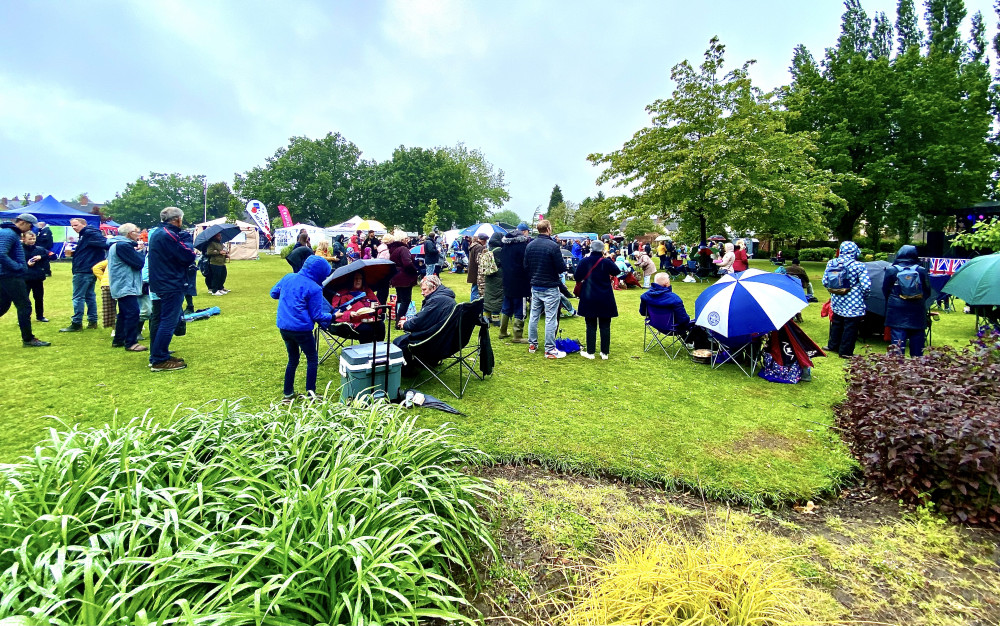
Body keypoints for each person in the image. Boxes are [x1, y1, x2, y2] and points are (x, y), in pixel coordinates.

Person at [271, 255, 333, 401]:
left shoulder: (288, 277)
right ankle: (311, 394)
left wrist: (289, 297)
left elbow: (273, 293)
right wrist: (334, 317)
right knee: (312, 358)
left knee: (293, 359)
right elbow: (317, 316)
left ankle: (288, 394)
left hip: (284, 327)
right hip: (302, 330)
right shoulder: (315, 288)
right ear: (320, 273)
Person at [147, 207, 197, 372]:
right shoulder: (168, 235)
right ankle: (159, 358)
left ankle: (158, 354)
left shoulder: (158, 233)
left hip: (162, 281)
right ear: (178, 219)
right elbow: (187, 255)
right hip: (170, 282)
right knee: (169, 320)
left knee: (161, 319)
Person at [1, 213, 50, 346]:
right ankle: (28, 339)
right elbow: (1, 253)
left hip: (6, 275)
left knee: (3, 305)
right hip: (10, 275)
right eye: (29, 225)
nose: (30, 229)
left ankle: (28, 339)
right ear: (22, 222)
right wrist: (17, 267)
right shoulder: (9, 234)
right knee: (24, 306)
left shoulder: (9, 232)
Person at [524, 219, 566, 359]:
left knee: (534, 316)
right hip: (549, 286)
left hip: (535, 285)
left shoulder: (530, 245)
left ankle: (532, 344)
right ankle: (549, 349)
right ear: (548, 228)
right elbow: (561, 268)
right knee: (550, 318)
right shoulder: (553, 246)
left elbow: (526, 266)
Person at [882, 245, 931, 357]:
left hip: (896, 309)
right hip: (917, 309)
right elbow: (927, 291)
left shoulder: (891, 270)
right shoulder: (921, 271)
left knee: (897, 339)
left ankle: (897, 366)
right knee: (918, 338)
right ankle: (917, 365)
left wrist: (894, 300)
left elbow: (885, 290)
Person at [393, 274, 456, 362]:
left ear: (433, 288)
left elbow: (420, 322)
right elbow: (426, 319)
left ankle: (408, 370)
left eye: (424, 289)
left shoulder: (436, 300)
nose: (422, 293)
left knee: (398, 342)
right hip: (445, 339)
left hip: (433, 341)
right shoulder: (446, 298)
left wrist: (405, 324)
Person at [824, 241, 871, 359]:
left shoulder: (832, 263)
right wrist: (864, 296)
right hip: (853, 300)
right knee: (850, 327)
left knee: (837, 323)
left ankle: (833, 345)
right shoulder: (859, 265)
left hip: (837, 299)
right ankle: (845, 352)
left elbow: (825, 282)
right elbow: (866, 286)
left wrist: (835, 291)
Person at [61, 217, 109, 332]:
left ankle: (77, 322)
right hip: (90, 268)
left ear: (84, 224)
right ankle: (92, 321)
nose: (73, 228)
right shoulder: (87, 234)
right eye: (72, 225)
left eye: (76, 225)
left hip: (83, 269)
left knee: (78, 296)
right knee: (89, 296)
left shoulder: (88, 233)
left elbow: (104, 244)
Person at [639, 272, 708, 350]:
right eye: (669, 279)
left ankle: (688, 341)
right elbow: (683, 320)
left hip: (656, 324)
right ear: (666, 283)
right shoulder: (674, 299)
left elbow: (643, 312)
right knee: (696, 324)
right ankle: (696, 345)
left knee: (679, 321)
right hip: (672, 327)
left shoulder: (645, 296)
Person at [574, 240, 619, 359]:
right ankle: (604, 353)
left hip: (589, 296)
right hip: (605, 296)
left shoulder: (584, 261)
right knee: (605, 325)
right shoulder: (606, 262)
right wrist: (608, 258)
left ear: (591, 248)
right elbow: (617, 271)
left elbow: (577, 276)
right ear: (603, 249)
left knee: (590, 325)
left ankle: (590, 352)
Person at [107, 223, 146, 351]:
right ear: (130, 233)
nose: (139, 234)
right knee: (132, 312)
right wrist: (141, 251)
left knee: (124, 313)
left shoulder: (116, 245)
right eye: (136, 231)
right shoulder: (123, 246)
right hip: (125, 284)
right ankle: (131, 342)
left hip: (121, 283)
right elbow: (138, 263)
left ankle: (118, 339)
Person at [330, 271, 386, 344]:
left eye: (360, 278)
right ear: (351, 280)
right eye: (356, 278)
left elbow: (379, 307)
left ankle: (379, 350)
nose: (358, 280)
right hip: (352, 323)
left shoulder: (367, 291)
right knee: (366, 329)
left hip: (369, 320)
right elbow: (335, 312)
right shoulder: (342, 294)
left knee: (381, 326)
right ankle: (366, 352)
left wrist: (375, 309)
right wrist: (349, 314)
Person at [500, 223, 532, 342]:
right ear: (524, 233)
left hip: (507, 280)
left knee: (506, 306)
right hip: (521, 282)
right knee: (520, 308)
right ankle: (517, 336)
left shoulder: (504, 246)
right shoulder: (523, 247)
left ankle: (502, 331)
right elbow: (526, 265)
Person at [388, 229, 419, 325]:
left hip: (397, 276)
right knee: (406, 300)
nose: (408, 240)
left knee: (400, 299)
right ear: (402, 239)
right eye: (406, 238)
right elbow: (407, 263)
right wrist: (415, 270)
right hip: (404, 277)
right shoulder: (403, 249)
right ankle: (400, 320)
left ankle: (398, 318)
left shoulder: (393, 249)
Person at [21, 230, 50, 322]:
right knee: (24, 300)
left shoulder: (40, 249)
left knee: (39, 298)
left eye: (34, 238)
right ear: (23, 239)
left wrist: (41, 257)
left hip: (37, 277)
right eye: (30, 239)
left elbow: (53, 256)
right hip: (25, 278)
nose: (32, 241)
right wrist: (26, 264)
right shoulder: (19, 250)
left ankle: (40, 316)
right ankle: (25, 317)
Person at [481, 231, 505, 327]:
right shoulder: (499, 250)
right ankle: (496, 319)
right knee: (497, 298)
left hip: (489, 276)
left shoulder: (489, 248)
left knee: (488, 297)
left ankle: (486, 318)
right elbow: (501, 263)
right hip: (498, 276)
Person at [91, 260, 116, 331]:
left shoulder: (109, 260)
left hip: (106, 285)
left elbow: (95, 268)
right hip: (119, 284)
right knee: (124, 308)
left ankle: (114, 329)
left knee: (109, 309)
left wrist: (103, 279)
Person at [467, 233, 487, 300]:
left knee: (474, 288)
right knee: (476, 289)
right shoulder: (479, 247)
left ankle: (472, 302)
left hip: (473, 270)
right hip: (477, 271)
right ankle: (473, 304)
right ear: (483, 240)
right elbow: (478, 260)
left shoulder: (474, 245)